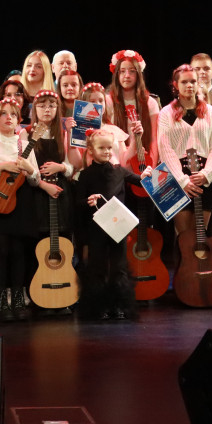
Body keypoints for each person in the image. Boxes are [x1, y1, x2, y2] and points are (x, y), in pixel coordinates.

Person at [77, 129, 152, 320]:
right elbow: (77, 202)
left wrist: (147, 173)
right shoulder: (85, 175)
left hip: (118, 228)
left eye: (109, 147)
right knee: (97, 267)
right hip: (97, 228)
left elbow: (141, 182)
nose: (107, 151)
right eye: (101, 148)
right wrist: (88, 200)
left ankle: (120, 306)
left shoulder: (120, 171)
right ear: (91, 150)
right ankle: (98, 308)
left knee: (119, 267)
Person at [0, 97, 40, 321]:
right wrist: (0, 167)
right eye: (4, 114)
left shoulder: (24, 145)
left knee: (18, 250)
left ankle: (17, 297)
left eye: (13, 114)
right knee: (1, 249)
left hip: (21, 200)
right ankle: (1, 299)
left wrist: (30, 170)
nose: (8, 118)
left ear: (18, 120)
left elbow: (35, 179)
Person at [157, 65, 212, 239]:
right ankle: (183, 267)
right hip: (178, 177)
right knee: (184, 236)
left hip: (206, 178)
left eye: (193, 81)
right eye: (184, 82)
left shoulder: (210, 112)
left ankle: (203, 267)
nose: (189, 85)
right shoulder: (166, 113)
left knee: (201, 235)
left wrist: (207, 174)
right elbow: (165, 148)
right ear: (175, 85)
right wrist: (182, 180)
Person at [27, 90, 74, 314]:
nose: (47, 110)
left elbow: (75, 164)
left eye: (52, 106)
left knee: (62, 238)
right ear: (34, 109)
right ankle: (41, 293)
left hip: (61, 191)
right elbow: (25, 167)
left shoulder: (63, 133)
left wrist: (61, 167)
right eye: (42, 106)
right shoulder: (27, 134)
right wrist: (42, 184)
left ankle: (63, 295)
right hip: (37, 193)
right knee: (39, 241)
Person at [106, 49, 159, 171]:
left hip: (142, 165)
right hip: (116, 165)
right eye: (122, 71)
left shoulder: (150, 103)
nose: (127, 76)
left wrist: (152, 166)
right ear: (116, 74)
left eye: (132, 71)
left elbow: (154, 140)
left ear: (138, 75)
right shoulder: (107, 101)